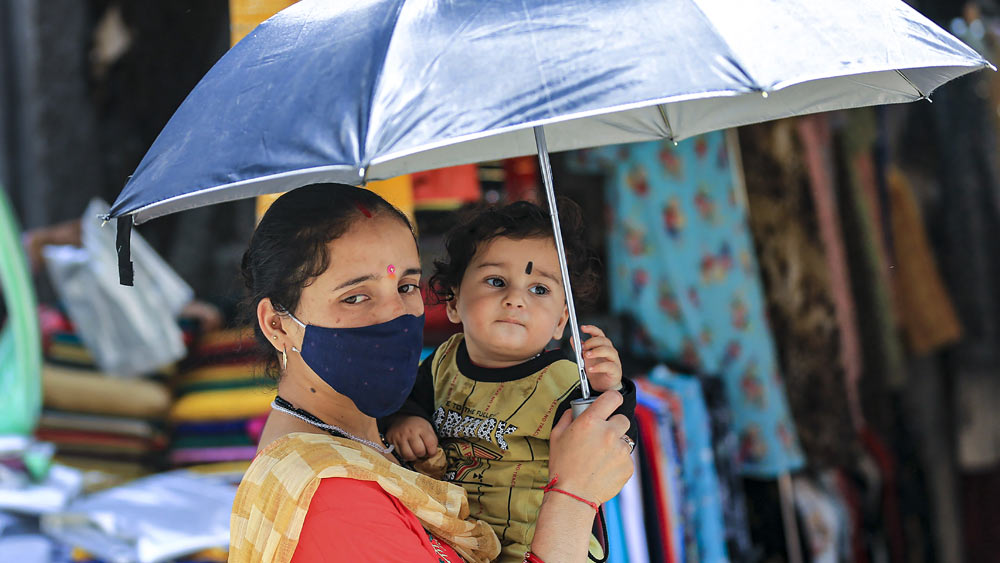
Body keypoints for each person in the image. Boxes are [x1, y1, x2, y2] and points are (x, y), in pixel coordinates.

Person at [228, 184, 635, 563]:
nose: (396, 315)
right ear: (277, 324)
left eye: (406, 286)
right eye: (355, 296)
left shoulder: (378, 441)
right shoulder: (332, 501)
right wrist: (573, 498)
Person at [382, 201, 637, 561]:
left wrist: (609, 390)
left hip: (538, 542)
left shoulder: (565, 380)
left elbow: (614, 440)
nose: (515, 298)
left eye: (539, 290)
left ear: (561, 320)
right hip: (454, 539)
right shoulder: (441, 362)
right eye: (496, 282)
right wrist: (405, 420)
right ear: (453, 302)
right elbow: (403, 400)